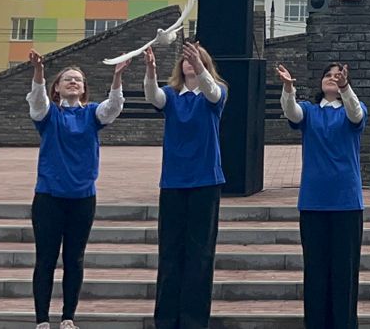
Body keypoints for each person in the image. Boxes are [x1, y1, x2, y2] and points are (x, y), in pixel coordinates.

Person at [27, 51, 126, 329]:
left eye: (78, 80)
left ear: (84, 88)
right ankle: (42, 320)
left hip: (82, 198)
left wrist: (117, 76)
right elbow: (37, 100)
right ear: (56, 88)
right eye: (67, 79)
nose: (73, 82)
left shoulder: (92, 114)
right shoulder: (48, 115)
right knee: (45, 259)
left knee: (75, 259)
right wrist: (38, 73)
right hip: (48, 197)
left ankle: (68, 317)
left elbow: (114, 107)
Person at [144, 42, 228, 329]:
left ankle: (193, 320)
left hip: (205, 181)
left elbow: (213, 91)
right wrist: (151, 70)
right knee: (170, 251)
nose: (189, 63)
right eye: (186, 59)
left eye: (195, 59)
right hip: (173, 182)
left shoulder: (213, 94)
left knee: (200, 252)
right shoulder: (171, 95)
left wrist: (202, 66)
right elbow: (153, 97)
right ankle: (166, 319)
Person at [278, 61, 366, 329]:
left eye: (337, 75)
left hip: (347, 202)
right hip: (313, 201)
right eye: (327, 74)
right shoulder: (310, 111)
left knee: (344, 271)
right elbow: (291, 112)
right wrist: (288, 88)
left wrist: (345, 88)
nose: (332, 78)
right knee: (315, 271)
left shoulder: (354, 109)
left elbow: (356, 114)